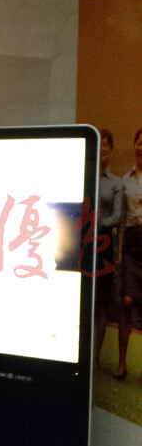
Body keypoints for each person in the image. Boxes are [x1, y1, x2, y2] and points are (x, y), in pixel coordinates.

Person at [116, 127, 142, 380]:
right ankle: (122, 364)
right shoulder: (125, 180)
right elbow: (122, 220)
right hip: (130, 245)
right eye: (140, 142)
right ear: (135, 146)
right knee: (126, 303)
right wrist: (120, 253)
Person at [95, 129, 121, 369]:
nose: (102, 147)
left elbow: (118, 215)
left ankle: (95, 358)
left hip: (103, 244)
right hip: (81, 243)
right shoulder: (85, 176)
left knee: (101, 302)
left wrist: (98, 224)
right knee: (83, 300)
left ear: (111, 149)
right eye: (99, 143)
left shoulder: (116, 182)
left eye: (106, 144)